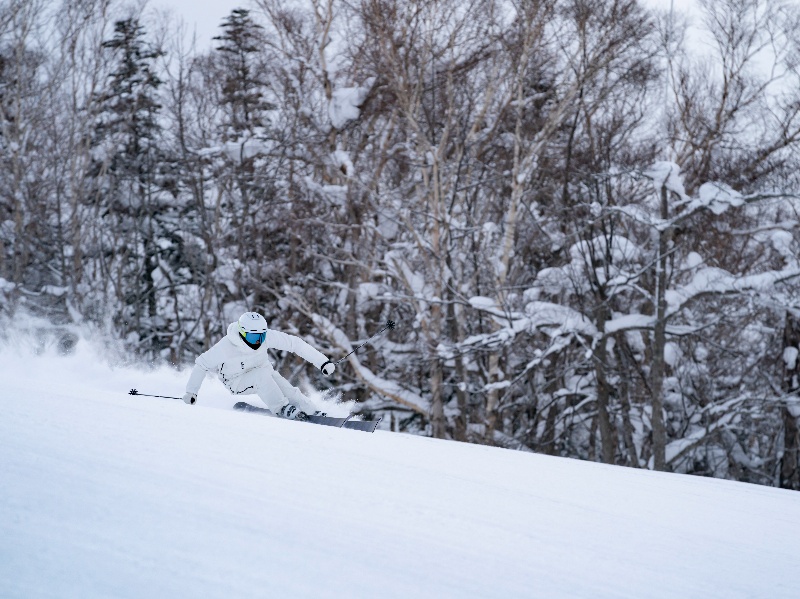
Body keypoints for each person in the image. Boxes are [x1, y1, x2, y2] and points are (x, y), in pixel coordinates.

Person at [182, 311, 336, 419]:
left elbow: (294, 344)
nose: (258, 341)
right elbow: (201, 364)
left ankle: (311, 411)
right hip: (236, 381)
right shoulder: (226, 346)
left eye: (261, 336)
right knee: (262, 376)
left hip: (263, 372)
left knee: (288, 389)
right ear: (242, 333)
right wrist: (191, 392)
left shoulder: (265, 337)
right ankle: (281, 408)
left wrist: (322, 362)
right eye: (253, 336)